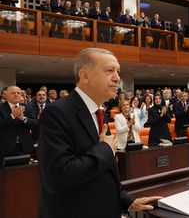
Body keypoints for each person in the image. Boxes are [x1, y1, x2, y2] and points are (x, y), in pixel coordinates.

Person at [38, 48, 162, 218]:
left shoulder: (98, 112)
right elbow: (58, 177)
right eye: (109, 71)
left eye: (118, 71)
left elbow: (101, 173)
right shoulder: (57, 112)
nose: (117, 77)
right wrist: (104, 149)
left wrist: (126, 201)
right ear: (85, 76)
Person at [0, 86, 37, 157]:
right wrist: (12, 116)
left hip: (25, 147)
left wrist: (23, 118)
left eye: (18, 93)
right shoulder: (1, 108)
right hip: (5, 148)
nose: (16, 95)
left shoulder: (28, 107)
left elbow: (36, 123)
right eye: (13, 93)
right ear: (6, 95)